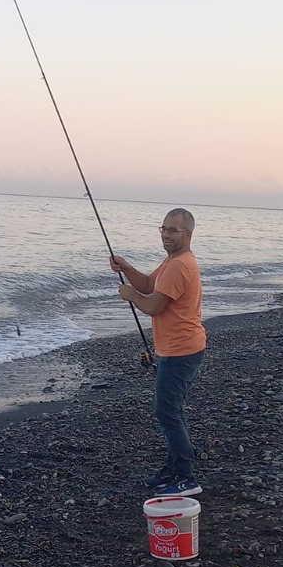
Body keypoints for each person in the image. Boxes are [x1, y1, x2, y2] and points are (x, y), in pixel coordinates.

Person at [110, 208, 206, 496]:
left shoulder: (180, 265)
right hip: (175, 348)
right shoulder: (172, 262)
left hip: (182, 350)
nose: (166, 234)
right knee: (169, 410)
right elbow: (150, 285)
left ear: (187, 233)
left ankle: (186, 478)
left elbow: (152, 304)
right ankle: (174, 469)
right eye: (163, 229)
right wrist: (126, 268)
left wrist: (131, 296)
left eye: (173, 230)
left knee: (167, 412)